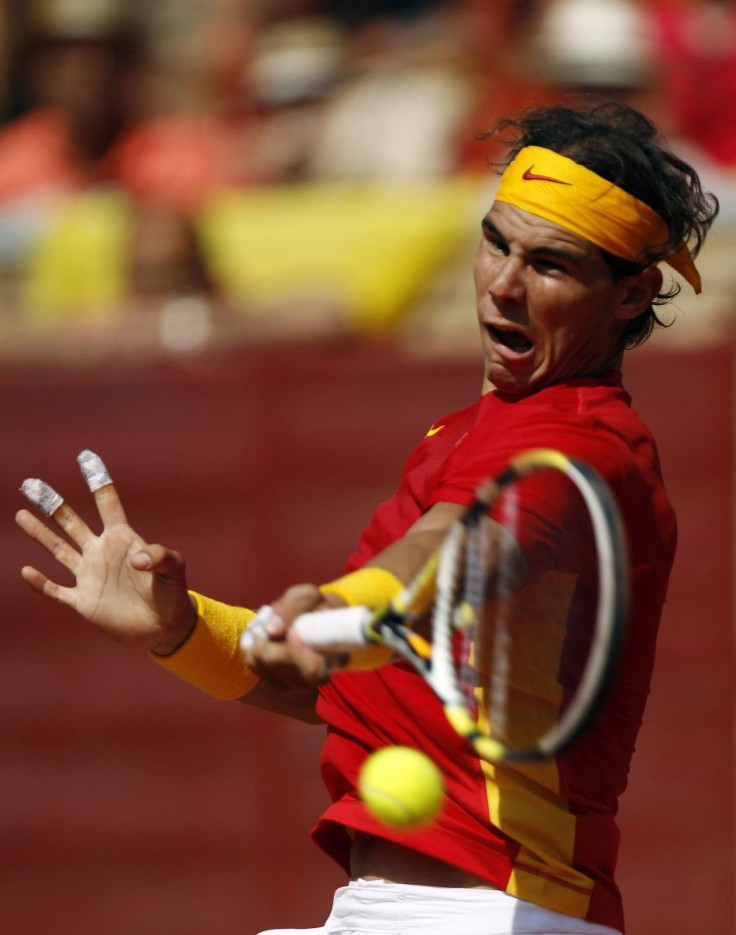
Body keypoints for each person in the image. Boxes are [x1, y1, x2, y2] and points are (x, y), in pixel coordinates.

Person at [15, 100, 718, 935]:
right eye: (496, 241)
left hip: (493, 911)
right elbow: (334, 677)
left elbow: (456, 552)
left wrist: (349, 606)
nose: (503, 282)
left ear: (633, 293)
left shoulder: (585, 445)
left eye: (551, 264)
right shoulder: (465, 434)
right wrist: (180, 630)